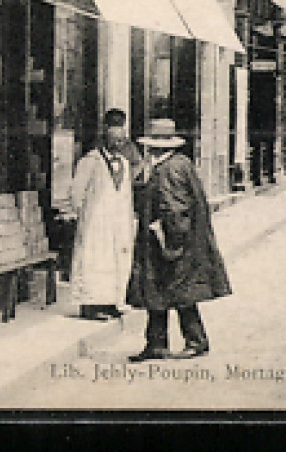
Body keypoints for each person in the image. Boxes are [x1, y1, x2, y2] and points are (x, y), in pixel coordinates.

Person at [126, 117, 231, 361]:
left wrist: (170, 242)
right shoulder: (179, 164)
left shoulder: (167, 170)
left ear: (154, 147)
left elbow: (175, 209)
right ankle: (158, 343)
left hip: (168, 241)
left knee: (174, 291)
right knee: (162, 292)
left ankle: (194, 341)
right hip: (177, 240)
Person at [69, 109, 138, 321]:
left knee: (116, 261)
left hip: (118, 223)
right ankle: (89, 305)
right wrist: (85, 218)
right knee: (95, 261)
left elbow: (126, 194)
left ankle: (111, 302)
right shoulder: (90, 161)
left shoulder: (125, 164)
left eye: (121, 140)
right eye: (114, 139)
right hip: (95, 224)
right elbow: (76, 194)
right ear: (105, 135)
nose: (118, 143)